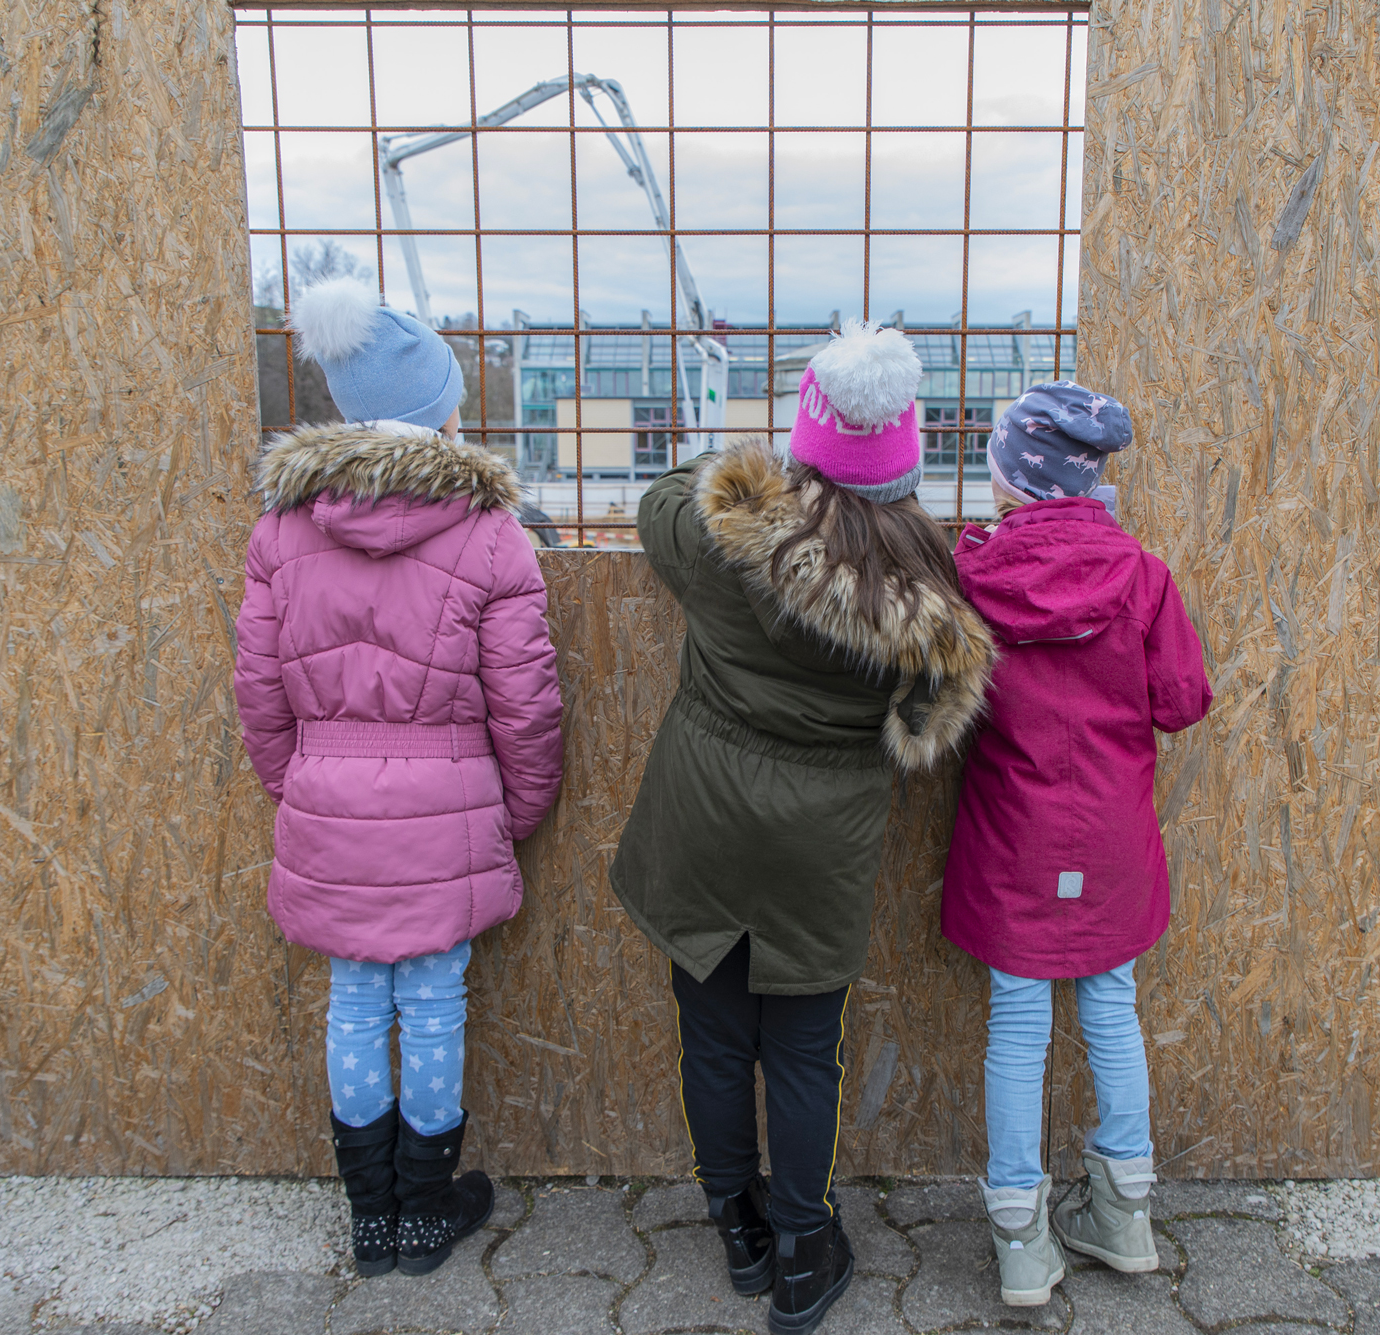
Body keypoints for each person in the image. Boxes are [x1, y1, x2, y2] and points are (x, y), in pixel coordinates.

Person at [610, 322, 996, 1335]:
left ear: (804, 438)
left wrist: (738, 470)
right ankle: (797, 1248)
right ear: (903, 452)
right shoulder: (928, 588)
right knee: (801, 1053)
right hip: (820, 842)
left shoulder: (723, 538)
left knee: (711, 1036)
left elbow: (658, 504)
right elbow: (926, 723)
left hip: (701, 814)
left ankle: (730, 1226)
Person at [233, 279, 564, 1278]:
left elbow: (258, 689)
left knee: (350, 1003)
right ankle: (427, 1215)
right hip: (447, 806)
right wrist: (516, 807)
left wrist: (301, 785)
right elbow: (526, 699)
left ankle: (368, 1220)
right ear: (437, 415)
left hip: (326, 800)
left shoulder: (280, 532)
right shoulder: (490, 533)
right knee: (431, 1004)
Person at [942, 382, 1212, 1307]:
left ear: (1012, 478)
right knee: (1112, 1006)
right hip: (1111, 840)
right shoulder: (1142, 575)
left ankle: (1020, 1237)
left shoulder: (969, 576)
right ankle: (1124, 1214)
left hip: (1012, 839)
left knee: (1015, 1023)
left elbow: (933, 712)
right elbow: (1181, 701)